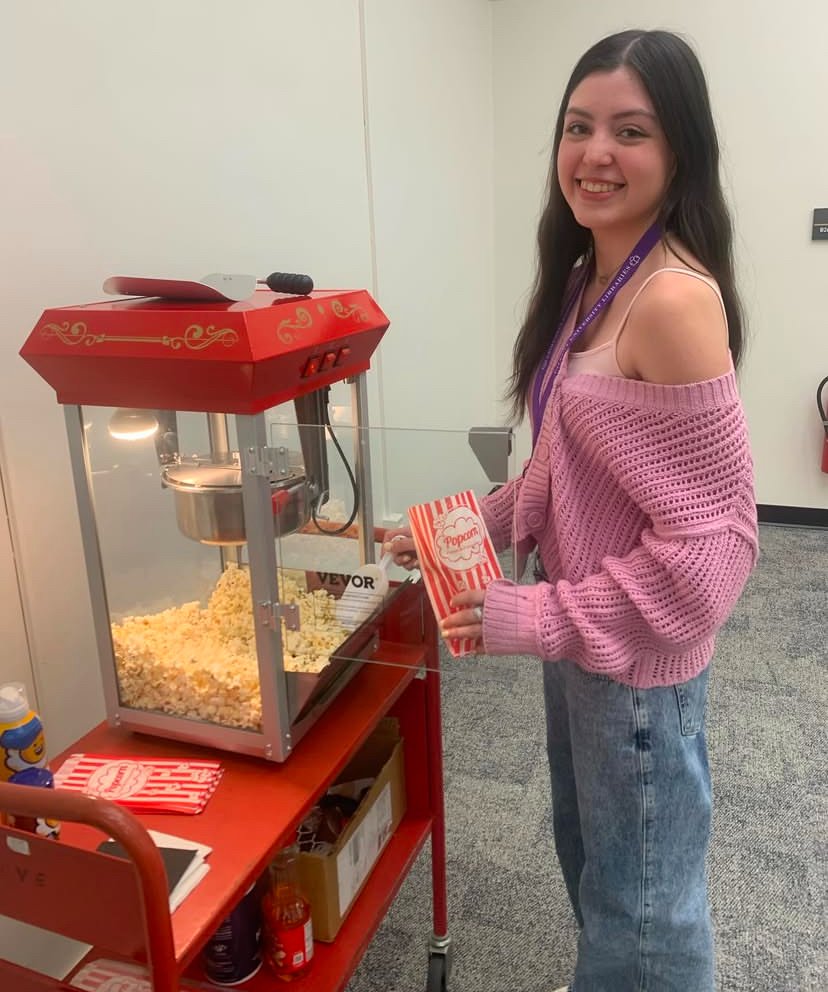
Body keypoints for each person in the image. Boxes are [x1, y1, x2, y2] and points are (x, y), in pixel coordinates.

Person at [385, 28, 758, 992]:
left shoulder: (671, 302)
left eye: (630, 131)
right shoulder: (591, 280)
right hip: (590, 642)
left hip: (634, 666)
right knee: (595, 858)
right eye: (578, 126)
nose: (595, 154)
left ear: (679, 150)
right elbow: (568, 470)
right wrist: (458, 528)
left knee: (647, 905)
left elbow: (715, 553)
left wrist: (541, 614)